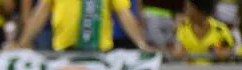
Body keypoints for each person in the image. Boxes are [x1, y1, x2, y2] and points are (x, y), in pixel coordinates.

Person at [14, 0, 149, 51]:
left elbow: (123, 13)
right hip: (64, 54)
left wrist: (142, 44)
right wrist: (22, 43)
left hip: (98, 54)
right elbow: (42, 10)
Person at [173, 0, 235, 64]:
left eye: (189, 7)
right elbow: (177, 49)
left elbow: (231, 50)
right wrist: (178, 52)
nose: (185, 11)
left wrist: (224, 52)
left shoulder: (220, 29)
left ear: (200, 10)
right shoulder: (182, 27)